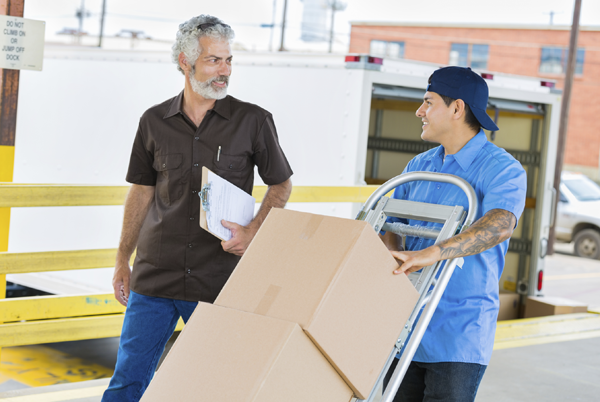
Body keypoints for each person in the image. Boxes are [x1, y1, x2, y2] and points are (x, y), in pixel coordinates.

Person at [102, 15, 293, 402]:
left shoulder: (253, 121)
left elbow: (281, 184)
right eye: (214, 61)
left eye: (228, 61)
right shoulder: (154, 121)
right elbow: (141, 191)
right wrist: (123, 256)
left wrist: (254, 230)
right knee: (127, 382)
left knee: (218, 387)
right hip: (155, 276)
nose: (224, 71)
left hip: (218, 279)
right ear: (184, 64)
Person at [380, 66, 526, 402]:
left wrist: (431, 253)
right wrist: (392, 254)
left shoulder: (501, 168)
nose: (420, 111)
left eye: (428, 102)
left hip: (459, 333)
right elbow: (389, 225)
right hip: (404, 326)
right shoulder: (418, 166)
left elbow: (501, 224)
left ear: (457, 109)